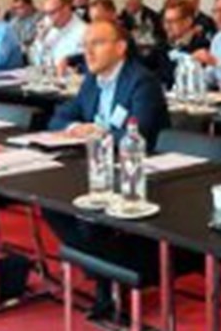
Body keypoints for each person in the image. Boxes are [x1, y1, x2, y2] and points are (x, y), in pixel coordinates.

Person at [45, 19, 171, 321]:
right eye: (85, 45)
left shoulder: (141, 82)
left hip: (141, 174)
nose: (88, 52)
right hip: (99, 167)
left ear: (120, 47)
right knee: (52, 203)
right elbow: (58, 118)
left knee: (90, 216)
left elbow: (141, 133)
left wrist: (98, 134)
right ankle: (107, 275)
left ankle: (110, 285)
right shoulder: (92, 80)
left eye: (97, 43)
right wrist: (76, 128)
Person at [152, 0, 210, 87]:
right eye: (165, 21)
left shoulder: (201, 46)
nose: (167, 26)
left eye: (172, 21)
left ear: (188, 22)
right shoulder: (162, 46)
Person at [39, 0, 88, 70]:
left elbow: (83, 63)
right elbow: (37, 60)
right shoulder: (50, 30)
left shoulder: (84, 31)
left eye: (52, 13)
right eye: (46, 14)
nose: (49, 18)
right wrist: (40, 38)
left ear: (66, 9)